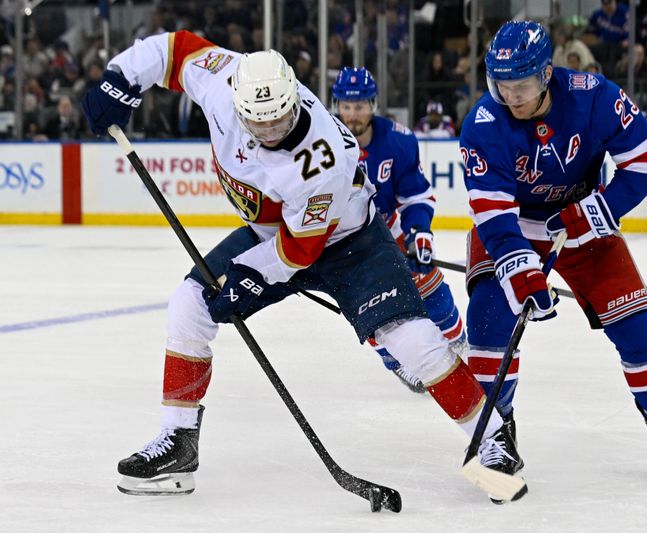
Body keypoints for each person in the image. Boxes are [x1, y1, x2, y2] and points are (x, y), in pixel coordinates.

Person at [81, 30, 518, 502]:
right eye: (259, 125)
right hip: (273, 232)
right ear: (238, 105)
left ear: (295, 97)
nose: (271, 132)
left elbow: (299, 250)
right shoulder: (223, 80)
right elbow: (172, 49)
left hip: (350, 242)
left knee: (411, 340)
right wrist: (119, 79)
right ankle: (178, 442)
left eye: (281, 121)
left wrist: (247, 277)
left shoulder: (319, 157)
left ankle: (492, 438)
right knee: (189, 305)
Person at [459, 20, 647, 482]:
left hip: (584, 225)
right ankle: (496, 429)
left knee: (636, 324)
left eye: (521, 85)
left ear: (546, 74)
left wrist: (598, 210)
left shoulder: (593, 95)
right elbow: (494, 217)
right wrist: (521, 272)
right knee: (489, 317)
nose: (511, 97)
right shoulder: (482, 124)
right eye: (501, 86)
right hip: (512, 227)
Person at [331, 68, 465, 392]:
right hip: (343, 240)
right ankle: (396, 362)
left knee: (426, 278)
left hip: (389, 228)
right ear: (336, 105)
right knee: (367, 302)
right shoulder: (323, 143)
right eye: (347, 106)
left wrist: (420, 232)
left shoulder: (398, 140)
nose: (353, 114)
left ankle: (456, 338)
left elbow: (415, 194)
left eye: (360, 105)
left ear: (373, 104)